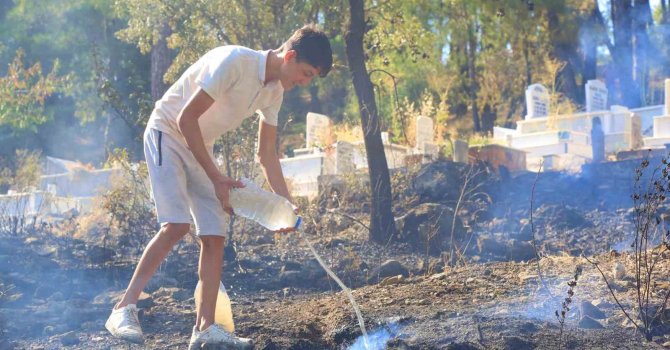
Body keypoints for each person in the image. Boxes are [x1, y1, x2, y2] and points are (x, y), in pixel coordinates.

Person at [105, 24, 333, 349]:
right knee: (176, 225)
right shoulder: (235, 62)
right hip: (166, 133)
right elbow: (185, 119)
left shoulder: (274, 92)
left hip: (200, 145)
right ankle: (123, 308)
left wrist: (286, 205)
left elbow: (266, 154)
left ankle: (204, 330)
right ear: (291, 56)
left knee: (214, 235)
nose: (305, 82)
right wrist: (217, 178)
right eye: (306, 73)